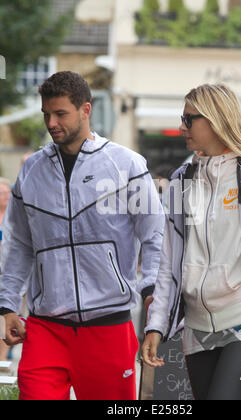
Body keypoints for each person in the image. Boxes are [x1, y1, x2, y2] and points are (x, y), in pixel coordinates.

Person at [0, 71, 164, 400]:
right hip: (46, 327)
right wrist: (6, 304)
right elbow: (19, 242)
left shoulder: (128, 165)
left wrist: (152, 292)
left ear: (85, 110)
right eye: (47, 113)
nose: (51, 122)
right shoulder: (32, 170)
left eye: (61, 113)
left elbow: (154, 236)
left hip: (108, 326)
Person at [142, 84, 241, 401]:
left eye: (189, 119)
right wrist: (155, 325)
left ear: (214, 119)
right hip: (195, 330)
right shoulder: (181, 181)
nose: (182, 127)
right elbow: (168, 262)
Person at [0, 178, 12, 366]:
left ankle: (1, 359)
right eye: (2, 194)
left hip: (11, 276)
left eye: (7, 193)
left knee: (8, 319)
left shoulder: (15, 216)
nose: (6, 197)